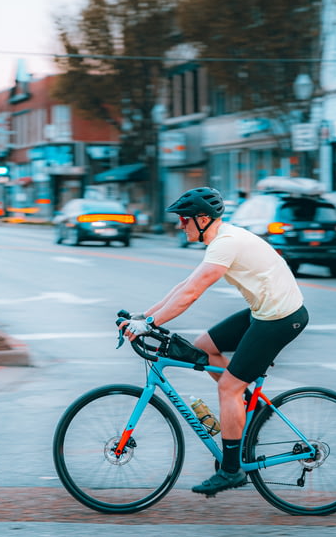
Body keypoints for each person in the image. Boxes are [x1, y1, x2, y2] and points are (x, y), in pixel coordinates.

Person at [121, 187, 309, 496]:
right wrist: (144, 315)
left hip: (281, 319)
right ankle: (246, 402)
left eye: (184, 220)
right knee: (204, 346)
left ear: (203, 218)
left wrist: (150, 325)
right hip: (263, 313)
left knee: (228, 387)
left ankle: (232, 470)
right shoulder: (221, 240)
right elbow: (185, 285)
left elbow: (192, 294)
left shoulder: (226, 243)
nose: (180, 225)